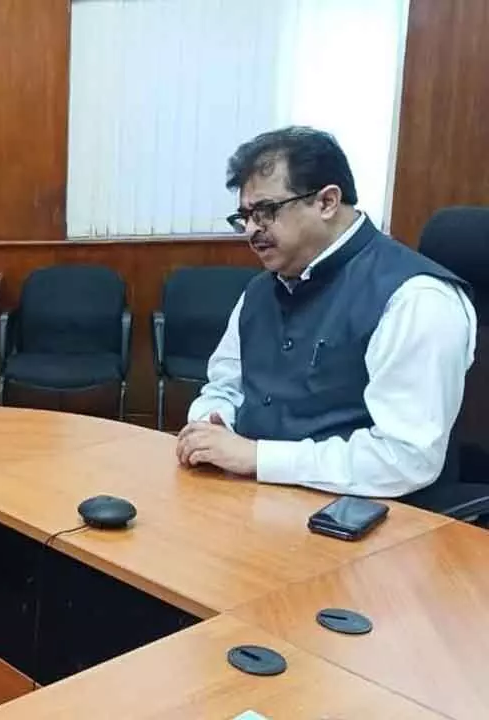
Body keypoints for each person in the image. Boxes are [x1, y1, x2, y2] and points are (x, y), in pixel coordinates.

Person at [177, 126, 476, 499]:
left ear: (327, 202)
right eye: (245, 216)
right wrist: (211, 424)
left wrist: (259, 457)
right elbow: (224, 385)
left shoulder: (417, 299)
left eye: (266, 211)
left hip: (370, 519)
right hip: (255, 498)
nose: (252, 230)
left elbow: (407, 457)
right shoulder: (259, 291)